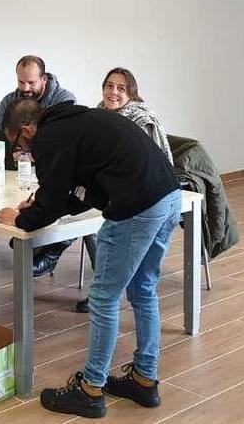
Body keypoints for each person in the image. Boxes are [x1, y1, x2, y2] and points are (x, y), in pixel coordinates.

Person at [0, 99, 181, 419]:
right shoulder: (76, 121)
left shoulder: (50, 139)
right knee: (143, 290)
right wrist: (40, 205)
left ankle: (90, 390)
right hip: (168, 195)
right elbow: (84, 191)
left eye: (16, 144)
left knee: (103, 299)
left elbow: (53, 202)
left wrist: (20, 219)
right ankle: (144, 380)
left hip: (137, 206)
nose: (20, 152)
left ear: (26, 130)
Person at [72, 67, 175, 313]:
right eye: (109, 86)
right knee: (77, 211)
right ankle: (103, 287)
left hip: (144, 198)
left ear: (132, 93)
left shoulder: (142, 119)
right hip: (108, 192)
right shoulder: (97, 115)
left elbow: (144, 168)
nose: (113, 92)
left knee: (142, 286)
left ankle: (106, 291)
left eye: (121, 88)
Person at [0, 55, 90, 277]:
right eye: (20, 82)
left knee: (87, 209)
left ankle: (50, 253)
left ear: (44, 79)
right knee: (72, 202)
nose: (25, 88)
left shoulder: (63, 104)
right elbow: (0, 136)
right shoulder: (10, 101)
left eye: (31, 82)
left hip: (75, 175)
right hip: (28, 171)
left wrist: (20, 219)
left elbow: (57, 185)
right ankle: (37, 244)